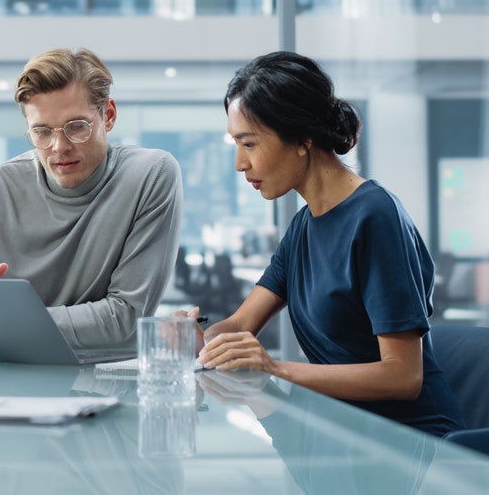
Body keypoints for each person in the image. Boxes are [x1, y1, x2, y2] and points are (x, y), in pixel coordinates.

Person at [196, 51, 465, 437]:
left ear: (303, 139)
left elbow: (404, 376)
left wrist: (274, 368)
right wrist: (201, 342)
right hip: (340, 430)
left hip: (410, 442)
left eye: (249, 144)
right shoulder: (304, 226)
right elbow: (241, 323)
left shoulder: (375, 217)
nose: (239, 163)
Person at [0, 47, 184, 351]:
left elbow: (125, 320)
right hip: (8, 388)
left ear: (109, 115)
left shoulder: (151, 175)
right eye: (41, 132)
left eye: (77, 127)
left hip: (108, 383)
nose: (59, 146)